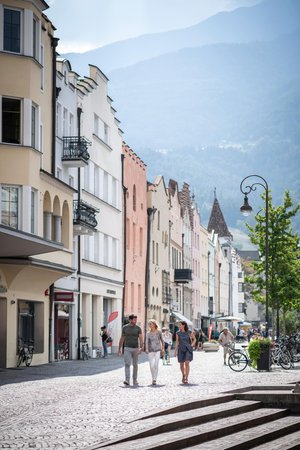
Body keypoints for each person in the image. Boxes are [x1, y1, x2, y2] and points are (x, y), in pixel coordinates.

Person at [118, 314, 143, 386]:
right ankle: (127, 380)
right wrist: (119, 348)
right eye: (134, 320)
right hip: (127, 348)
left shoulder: (138, 328)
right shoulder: (125, 328)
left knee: (135, 365)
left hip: (135, 348)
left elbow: (141, 339)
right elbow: (122, 338)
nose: (135, 321)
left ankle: (135, 380)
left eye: (136, 320)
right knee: (127, 364)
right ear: (130, 320)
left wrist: (141, 347)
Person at [145, 320, 165, 385]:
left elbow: (162, 340)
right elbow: (146, 341)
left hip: (157, 350)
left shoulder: (159, 332)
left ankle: (154, 379)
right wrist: (147, 348)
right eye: (149, 324)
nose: (149, 325)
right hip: (150, 350)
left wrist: (163, 348)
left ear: (154, 324)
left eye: (150, 324)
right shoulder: (148, 333)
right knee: (151, 365)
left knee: (156, 364)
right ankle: (153, 377)